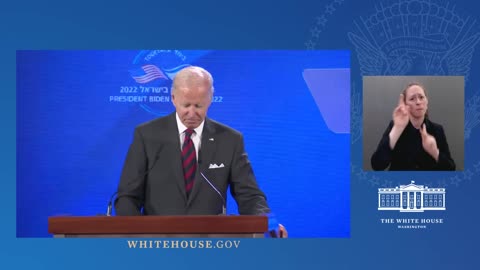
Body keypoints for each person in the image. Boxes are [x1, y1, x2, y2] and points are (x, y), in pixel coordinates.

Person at [114, 66, 287, 237]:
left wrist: (268, 223)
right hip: (157, 244)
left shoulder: (230, 140)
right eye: (186, 105)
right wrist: (137, 236)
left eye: (198, 105)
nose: (191, 113)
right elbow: (127, 197)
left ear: (210, 99)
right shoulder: (147, 135)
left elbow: (249, 196)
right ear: (173, 98)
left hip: (212, 246)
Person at [371, 82, 456, 171]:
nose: (418, 102)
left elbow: (451, 168)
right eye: (412, 99)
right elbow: (377, 165)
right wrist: (397, 129)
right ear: (405, 105)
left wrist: (435, 152)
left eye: (421, 97)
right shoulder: (395, 126)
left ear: (427, 102)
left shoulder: (437, 130)